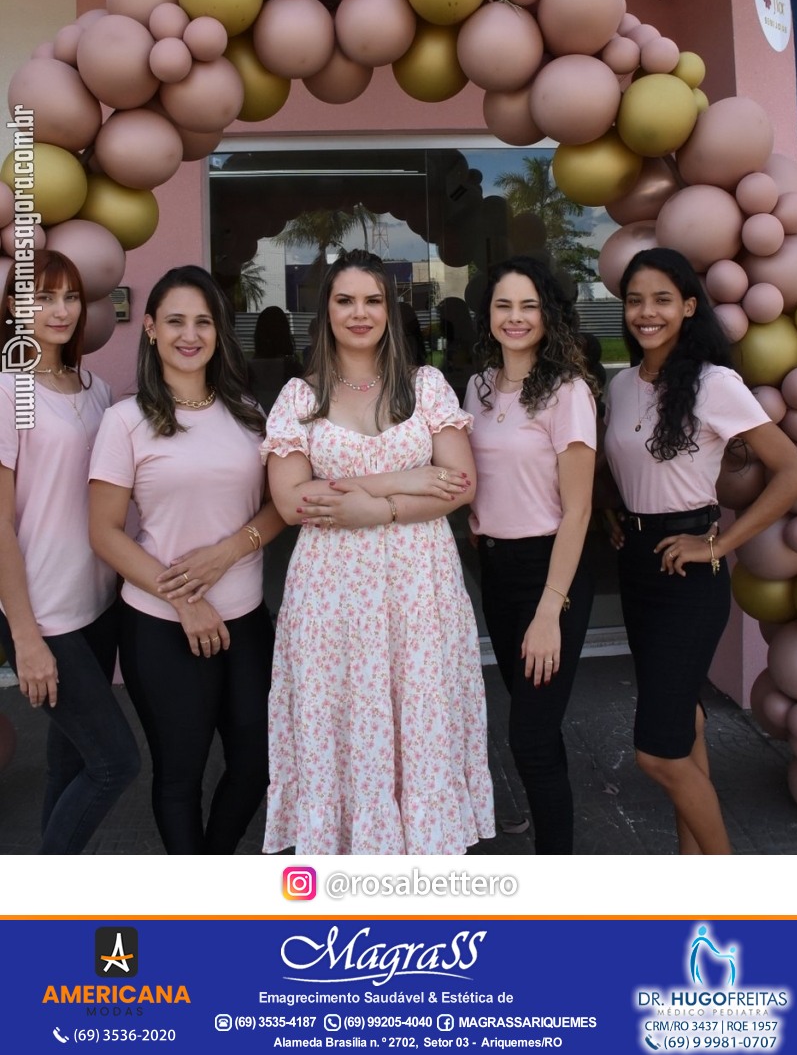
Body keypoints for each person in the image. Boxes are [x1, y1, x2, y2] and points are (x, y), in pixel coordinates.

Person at [262, 248, 495, 855]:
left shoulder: (426, 387)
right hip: (331, 594)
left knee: (419, 714)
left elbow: (460, 484)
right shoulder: (299, 398)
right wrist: (405, 480)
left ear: (391, 309)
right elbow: (291, 502)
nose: (359, 313)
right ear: (326, 311)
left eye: (372, 300)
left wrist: (378, 509)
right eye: (345, 300)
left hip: (420, 586)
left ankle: (421, 863)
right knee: (342, 717)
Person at [604, 247, 797, 855]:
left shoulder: (716, 384)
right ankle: (691, 877)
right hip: (638, 566)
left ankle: (730, 886)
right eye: (635, 299)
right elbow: (628, 464)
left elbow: (790, 467)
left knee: (656, 752)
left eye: (662, 299)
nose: (646, 312)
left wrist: (721, 542)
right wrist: (618, 514)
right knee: (682, 721)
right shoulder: (620, 383)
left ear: (689, 306)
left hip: (690, 570)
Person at [89, 265, 283, 854]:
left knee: (259, 761)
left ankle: (211, 872)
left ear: (220, 332)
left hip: (246, 619)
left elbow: (280, 507)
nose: (189, 334)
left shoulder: (250, 414)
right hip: (160, 626)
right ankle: (194, 908)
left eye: (203, 321)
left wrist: (231, 550)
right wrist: (186, 602)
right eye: (175, 320)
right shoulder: (126, 420)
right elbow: (104, 532)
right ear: (150, 329)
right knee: (180, 775)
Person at [0, 250, 139, 853]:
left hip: (98, 604)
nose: (59, 310)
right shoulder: (9, 390)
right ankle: (37, 911)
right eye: (42, 296)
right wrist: (25, 636)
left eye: (71, 297)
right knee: (114, 763)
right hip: (45, 615)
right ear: (13, 307)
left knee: (71, 764)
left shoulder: (98, 388)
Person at [463, 256, 597, 855]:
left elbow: (579, 511)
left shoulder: (568, 392)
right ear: (487, 313)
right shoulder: (480, 385)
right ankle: (553, 831)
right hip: (496, 567)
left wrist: (550, 611)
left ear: (548, 315)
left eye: (528, 306)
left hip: (551, 571)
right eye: (503, 305)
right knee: (533, 720)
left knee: (530, 738)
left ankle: (558, 882)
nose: (515, 318)